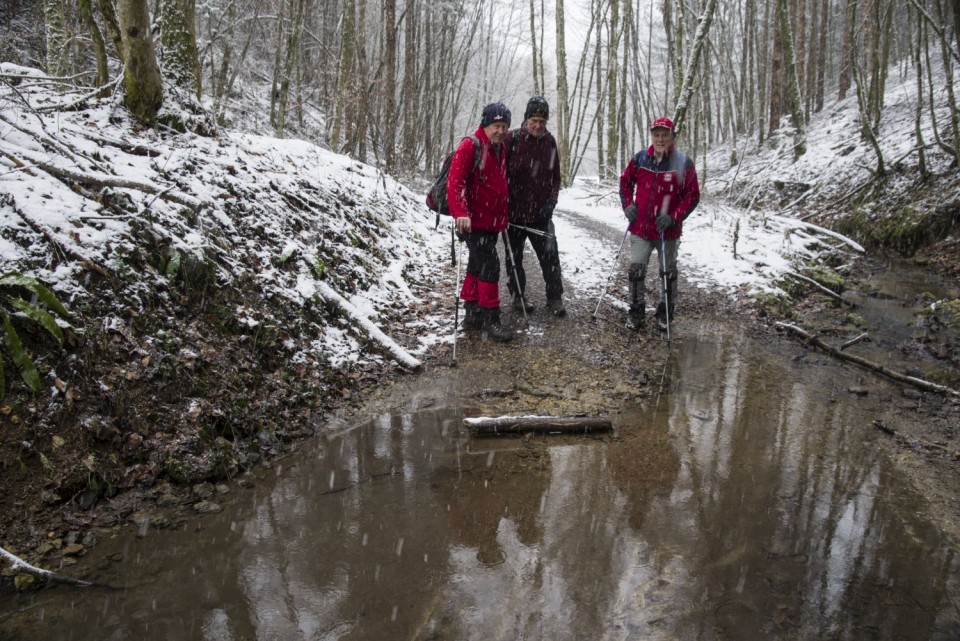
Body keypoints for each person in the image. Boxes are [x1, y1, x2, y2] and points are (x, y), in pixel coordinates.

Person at [619, 117, 700, 331]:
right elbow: (625, 183)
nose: (660, 138)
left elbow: (692, 196)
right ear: (652, 136)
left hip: (668, 231)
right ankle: (636, 312)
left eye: (665, 134)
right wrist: (627, 205)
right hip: (640, 228)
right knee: (636, 270)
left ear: (672, 136)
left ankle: (665, 313)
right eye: (656, 134)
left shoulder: (682, 163)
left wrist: (674, 216)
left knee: (668, 272)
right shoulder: (640, 159)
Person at [448, 102, 513, 342]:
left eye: (505, 126)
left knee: (477, 265)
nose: (501, 130)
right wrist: (461, 213)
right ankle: (490, 318)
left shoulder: (499, 148)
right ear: (486, 125)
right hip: (472, 223)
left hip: (490, 222)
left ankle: (472, 312)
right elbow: (455, 183)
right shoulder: (470, 146)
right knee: (490, 266)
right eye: (497, 125)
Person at [504, 96, 566, 317]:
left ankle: (555, 297)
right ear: (526, 120)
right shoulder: (511, 140)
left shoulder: (549, 142)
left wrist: (551, 202)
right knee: (514, 258)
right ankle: (518, 296)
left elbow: (556, 178)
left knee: (550, 256)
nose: (538, 125)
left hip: (540, 214)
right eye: (534, 120)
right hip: (513, 214)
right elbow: (499, 173)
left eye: (542, 120)